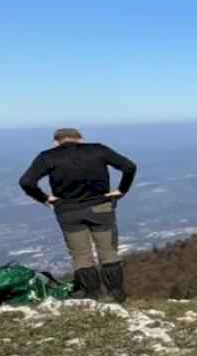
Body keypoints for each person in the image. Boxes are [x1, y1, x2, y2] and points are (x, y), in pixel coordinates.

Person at [18, 128, 136, 303]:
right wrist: (121, 191)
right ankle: (116, 295)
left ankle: (93, 296)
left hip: (68, 212)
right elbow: (129, 167)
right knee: (108, 252)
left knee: (81, 255)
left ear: (56, 142)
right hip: (100, 208)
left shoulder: (47, 156)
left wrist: (45, 199)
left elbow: (26, 181)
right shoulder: (98, 149)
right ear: (81, 139)